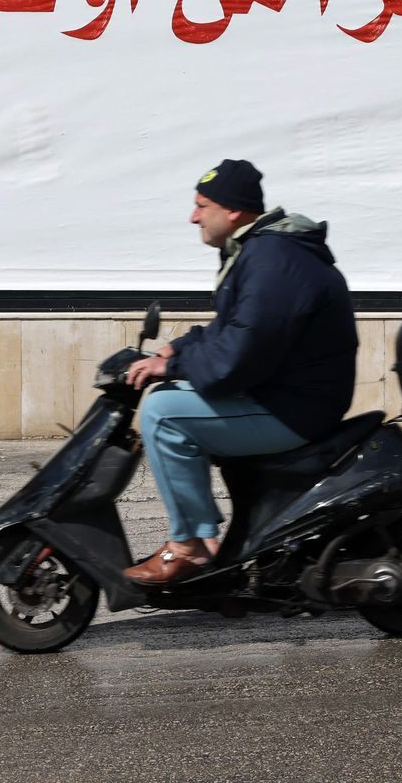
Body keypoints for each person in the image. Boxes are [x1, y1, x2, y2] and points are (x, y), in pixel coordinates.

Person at [121, 159, 358, 586]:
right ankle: (208, 539)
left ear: (232, 210)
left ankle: (192, 546)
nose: (193, 216)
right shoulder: (262, 252)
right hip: (284, 394)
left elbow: (237, 357)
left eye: (201, 205)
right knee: (168, 400)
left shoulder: (273, 259)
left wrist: (170, 366)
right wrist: (179, 347)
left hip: (292, 407)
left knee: (164, 414)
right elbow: (236, 329)